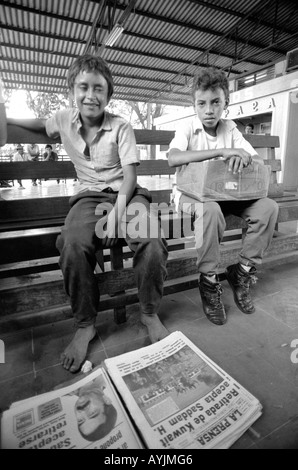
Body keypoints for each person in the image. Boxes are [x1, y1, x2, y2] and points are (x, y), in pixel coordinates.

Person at [7, 54, 169, 373]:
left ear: (108, 95)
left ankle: (149, 312)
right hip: (87, 199)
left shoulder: (121, 126)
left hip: (127, 194)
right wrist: (9, 119)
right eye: (83, 87)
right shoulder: (65, 119)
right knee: (71, 244)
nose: (90, 95)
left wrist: (114, 216)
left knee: (152, 241)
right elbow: (40, 124)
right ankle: (85, 325)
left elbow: (131, 177)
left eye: (99, 88)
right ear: (72, 90)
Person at [168, 67, 278, 326]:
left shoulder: (230, 128)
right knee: (210, 210)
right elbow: (173, 158)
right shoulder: (187, 127)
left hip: (227, 195)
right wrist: (223, 152)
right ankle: (208, 281)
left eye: (216, 102)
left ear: (225, 103)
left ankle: (241, 273)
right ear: (193, 104)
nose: (209, 110)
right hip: (190, 196)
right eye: (202, 103)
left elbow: (257, 159)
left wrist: (244, 156)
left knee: (268, 208)